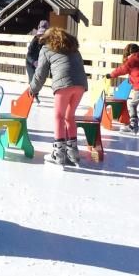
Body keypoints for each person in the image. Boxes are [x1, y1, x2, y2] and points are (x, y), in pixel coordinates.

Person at [29, 27, 88, 166]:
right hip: (80, 84)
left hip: (63, 84)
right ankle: (73, 153)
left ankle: (59, 154)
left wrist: (33, 89)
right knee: (69, 116)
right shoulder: (74, 48)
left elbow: (40, 74)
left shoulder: (47, 49)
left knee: (59, 116)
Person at [26, 19, 48, 104]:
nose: (41, 36)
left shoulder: (47, 42)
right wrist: (33, 62)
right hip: (31, 63)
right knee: (32, 80)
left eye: (43, 34)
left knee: (39, 80)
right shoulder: (34, 41)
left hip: (40, 64)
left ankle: (34, 94)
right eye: (40, 34)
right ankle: (33, 95)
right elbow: (28, 56)